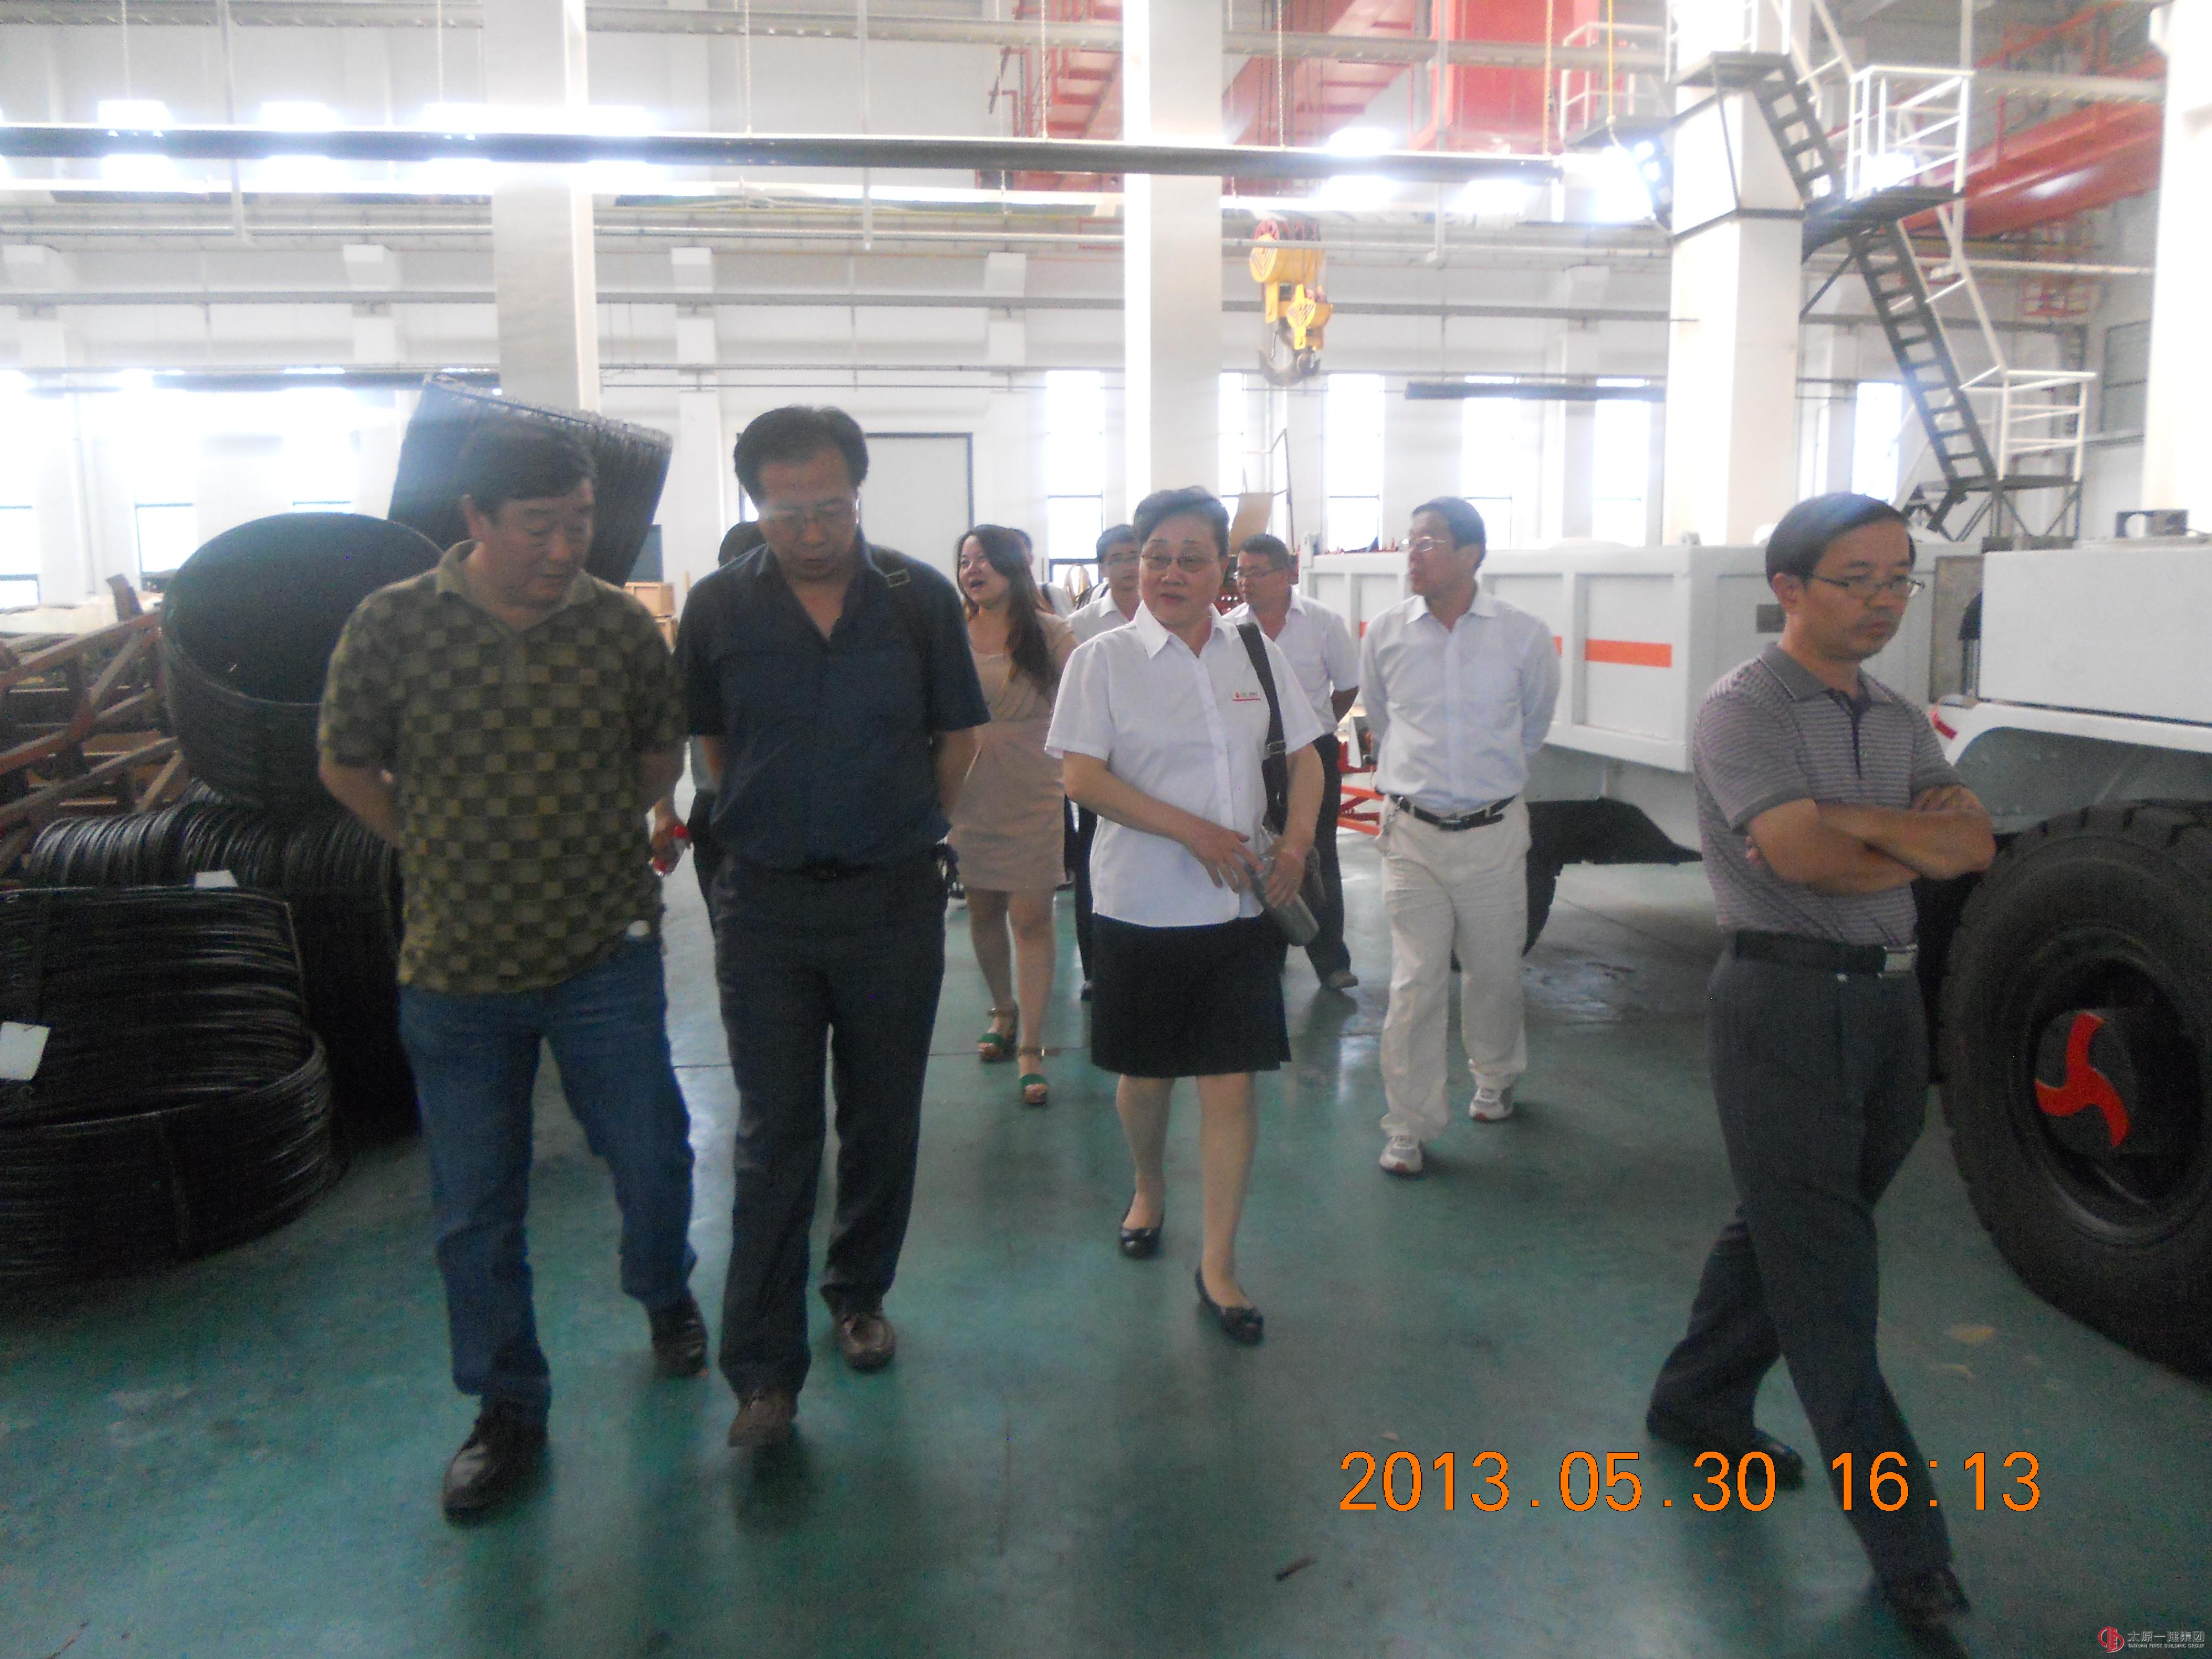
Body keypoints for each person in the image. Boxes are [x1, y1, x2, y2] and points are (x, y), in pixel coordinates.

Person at [317, 425, 701, 1521]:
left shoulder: (616, 627)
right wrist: (430, 842)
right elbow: (345, 760)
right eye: (540, 527)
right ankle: (506, 1406)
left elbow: (659, 754)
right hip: (458, 970)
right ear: (476, 520)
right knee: (475, 1207)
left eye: (580, 523)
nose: (565, 548)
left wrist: (583, 831)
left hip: (601, 954)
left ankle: (662, 1289)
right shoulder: (393, 623)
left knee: (652, 1154)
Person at [1644, 493, 1993, 1641]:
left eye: (1898, 578)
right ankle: (1908, 1548)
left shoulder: (1893, 714)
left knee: (1794, 1226)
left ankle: (1697, 1396)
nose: (1884, 600)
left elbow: (1971, 844)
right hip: (1782, 1006)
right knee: (1829, 1280)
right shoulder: (1743, 709)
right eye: (1858, 579)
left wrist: (1863, 835)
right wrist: (1900, 840)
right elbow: (1797, 857)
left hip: (1889, 1008)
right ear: (1788, 588)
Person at [677, 405, 988, 1451]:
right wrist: (776, 822)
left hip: (891, 899)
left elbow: (957, 739)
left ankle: (858, 1291)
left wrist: (907, 827)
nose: (810, 531)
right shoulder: (718, 606)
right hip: (764, 906)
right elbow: (714, 747)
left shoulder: (918, 600)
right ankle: (764, 1373)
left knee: (882, 1112)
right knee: (775, 1135)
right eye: (786, 512)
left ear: (858, 495)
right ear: (755, 505)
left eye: (830, 508)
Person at [1045, 486, 1322, 1346]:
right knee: (1146, 1078)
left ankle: (1219, 1264)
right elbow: (1082, 779)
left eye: (1190, 559)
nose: (1169, 573)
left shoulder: (1254, 652)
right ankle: (1148, 1186)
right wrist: (1191, 830)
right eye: (1155, 556)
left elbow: (1308, 756)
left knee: (1231, 1082)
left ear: (1221, 571)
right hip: (1140, 905)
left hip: (1240, 908)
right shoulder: (1103, 660)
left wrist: (1296, 845)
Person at [1359, 497, 1559, 1178]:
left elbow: (1532, 726)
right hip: (1411, 834)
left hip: (1491, 835)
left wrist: (1484, 783)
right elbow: (1382, 718)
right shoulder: (1387, 633)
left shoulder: (1522, 636)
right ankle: (1408, 1124)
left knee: (1493, 972)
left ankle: (1496, 1076)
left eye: (1429, 542)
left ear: (1471, 554)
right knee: (1414, 984)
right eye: (1409, 542)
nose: (1412, 555)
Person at [949, 523, 1077, 1107]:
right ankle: (1001, 1011)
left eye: (984, 559)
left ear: (1012, 566)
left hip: (1033, 785)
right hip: (969, 784)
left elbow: (1085, 701)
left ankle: (1031, 1045)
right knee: (982, 907)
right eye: (965, 560)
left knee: (1031, 917)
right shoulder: (951, 633)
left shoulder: (1050, 633)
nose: (973, 569)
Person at [1225, 532, 1361, 991]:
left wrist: (1313, 728)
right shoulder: (1228, 629)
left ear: (1286, 575)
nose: (1245, 582)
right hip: (1255, 758)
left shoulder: (1322, 623)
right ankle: (1271, 954)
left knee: (1317, 853)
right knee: (1261, 854)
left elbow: (1347, 685)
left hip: (1311, 755)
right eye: (1241, 573)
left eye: (1256, 572)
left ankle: (1331, 960)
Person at [653, 519, 767, 904]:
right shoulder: (704, 630)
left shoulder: (793, 639)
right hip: (717, 807)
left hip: (781, 808)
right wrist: (665, 811)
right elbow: (670, 726)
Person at [1065, 524, 1141, 998]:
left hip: (1153, 763)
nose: (1129, 567)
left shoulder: (1170, 614)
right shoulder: (1080, 626)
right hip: (1100, 769)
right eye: (1117, 559)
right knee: (1095, 860)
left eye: (1136, 555)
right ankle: (1096, 967)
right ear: (1102, 568)